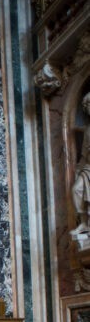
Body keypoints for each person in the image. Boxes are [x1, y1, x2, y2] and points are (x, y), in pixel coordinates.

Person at [71, 91, 90, 236]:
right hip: (88, 167)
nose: (88, 108)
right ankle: (84, 222)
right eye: (86, 106)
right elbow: (84, 154)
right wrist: (78, 169)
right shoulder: (88, 131)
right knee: (76, 189)